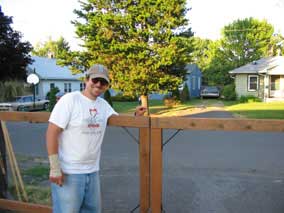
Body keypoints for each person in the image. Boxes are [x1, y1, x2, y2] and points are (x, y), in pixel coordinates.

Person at [46, 64, 146, 213]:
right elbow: (51, 133)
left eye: (103, 82)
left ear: (106, 86)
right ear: (87, 79)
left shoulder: (103, 105)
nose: (98, 84)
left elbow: (117, 120)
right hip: (69, 172)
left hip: (92, 172)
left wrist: (135, 116)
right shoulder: (70, 100)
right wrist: (54, 168)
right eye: (95, 80)